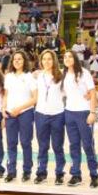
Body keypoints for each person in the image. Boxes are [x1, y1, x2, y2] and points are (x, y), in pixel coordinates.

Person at [61, 50, 98, 188]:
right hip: (69, 113)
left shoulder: (84, 73)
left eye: (70, 56)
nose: (67, 58)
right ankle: (76, 174)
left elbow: (93, 92)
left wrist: (92, 112)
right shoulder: (64, 74)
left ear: (75, 58)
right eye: (65, 57)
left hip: (83, 113)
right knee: (74, 145)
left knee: (88, 145)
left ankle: (94, 174)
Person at [2, 50, 37, 183]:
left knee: (25, 142)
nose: (17, 61)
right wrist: (3, 108)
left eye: (20, 59)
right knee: (11, 143)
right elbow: (6, 95)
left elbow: (35, 98)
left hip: (25, 113)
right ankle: (11, 171)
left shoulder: (29, 77)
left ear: (24, 61)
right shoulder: (9, 77)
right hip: (10, 114)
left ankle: (27, 171)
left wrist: (20, 109)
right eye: (15, 59)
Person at [33, 50, 65, 185]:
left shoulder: (61, 75)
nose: (47, 62)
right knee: (42, 146)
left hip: (57, 114)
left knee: (58, 146)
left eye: (49, 59)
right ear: (41, 61)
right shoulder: (37, 76)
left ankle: (59, 173)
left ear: (54, 61)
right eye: (44, 59)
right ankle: (41, 172)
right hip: (41, 114)